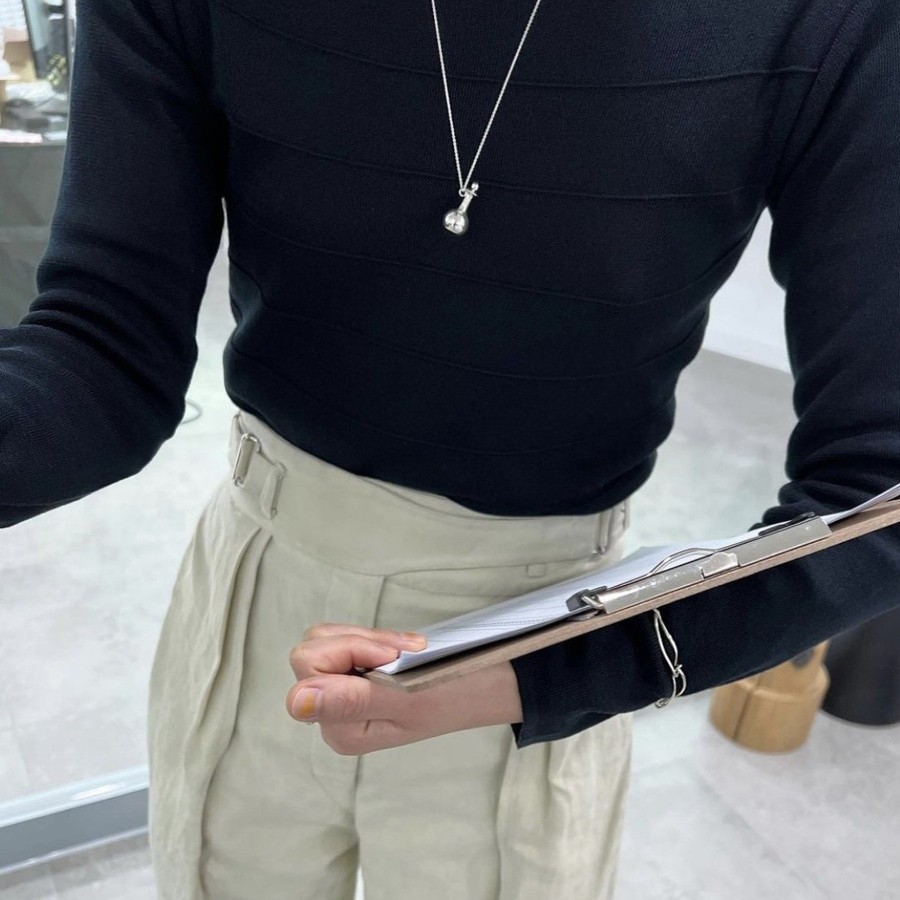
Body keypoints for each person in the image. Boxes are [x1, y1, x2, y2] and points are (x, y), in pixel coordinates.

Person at [1, 0, 899, 897]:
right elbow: (103, 344)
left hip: (538, 638)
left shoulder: (821, 23)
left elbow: (877, 486)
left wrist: (554, 671)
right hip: (255, 604)